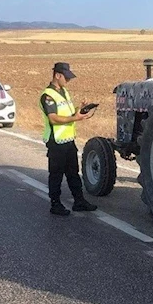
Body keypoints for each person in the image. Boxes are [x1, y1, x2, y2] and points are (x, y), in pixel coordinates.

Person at [39, 62, 98, 216]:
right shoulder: (47, 96)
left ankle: (79, 201)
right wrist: (75, 118)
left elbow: (69, 113)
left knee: (73, 172)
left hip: (68, 140)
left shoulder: (64, 91)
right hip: (56, 141)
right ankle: (55, 204)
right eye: (66, 77)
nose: (68, 80)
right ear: (57, 75)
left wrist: (80, 109)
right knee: (56, 174)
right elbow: (53, 118)